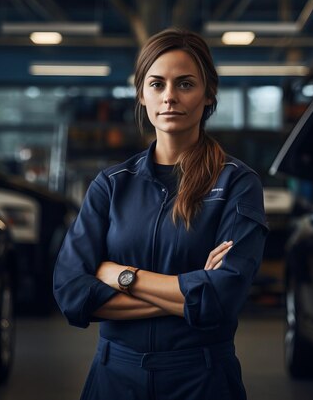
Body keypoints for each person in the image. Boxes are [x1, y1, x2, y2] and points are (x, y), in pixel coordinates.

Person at [53, 27, 268, 400]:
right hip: (113, 377)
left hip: (201, 378)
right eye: (157, 84)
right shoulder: (111, 185)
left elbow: (222, 299)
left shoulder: (237, 184)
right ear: (141, 94)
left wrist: (119, 275)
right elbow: (71, 291)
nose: (169, 97)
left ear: (208, 93)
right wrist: (189, 296)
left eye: (185, 84)